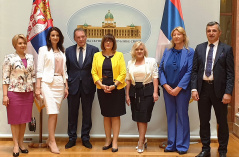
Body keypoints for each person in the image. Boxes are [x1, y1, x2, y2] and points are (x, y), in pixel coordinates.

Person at [191, 21, 234, 157]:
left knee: (222, 122)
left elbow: (230, 73)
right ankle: (205, 149)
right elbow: (194, 71)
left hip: (220, 92)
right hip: (202, 89)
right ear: (206, 32)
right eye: (209, 30)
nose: (211, 33)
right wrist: (194, 89)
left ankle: (222, 151)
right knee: (204, 121)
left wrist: (228, 92)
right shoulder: (199, 48)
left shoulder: (226, 49)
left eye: (214, 31)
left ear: (219, 33)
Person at [158, 27, 194, 155]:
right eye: (174, 35)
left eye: (179, 34)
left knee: (182, 117)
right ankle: (172, 144)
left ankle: (182, 146)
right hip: (168, 90)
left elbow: (190, 71)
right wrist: (165, 85)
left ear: (184, 36)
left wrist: (178, 88)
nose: (176, 36)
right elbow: (160, 69)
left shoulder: (190, 52)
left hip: (182, 90)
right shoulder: (167, 51)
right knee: (171, 116)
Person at [35, 27, 69, 154]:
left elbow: (64, 70)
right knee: (52, 111)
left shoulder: (62, 51)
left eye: (57, 35)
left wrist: (66, 86)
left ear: (59, 37)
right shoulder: (43, 50)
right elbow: (39, 69)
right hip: (47, 83)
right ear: (49, 37)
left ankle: (50, 138)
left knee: (55, 113)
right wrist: (38, 88)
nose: (55, 37)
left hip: (60, 83)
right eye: (53, 35)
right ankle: (52, 142)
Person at [65, 28, 99, 149]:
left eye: (83, 36)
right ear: (74, 38)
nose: (81, 39)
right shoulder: (68, 51)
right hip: (72, 86)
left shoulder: (94, 50)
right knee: (72, 113)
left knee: (87, 113)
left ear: (86, 37)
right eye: (78, 37)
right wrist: (66, 85)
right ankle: (72, 138)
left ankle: (85, 138)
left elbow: (96, 69)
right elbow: (66, 70)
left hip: (88, 86)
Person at [91, 34, 126, 152]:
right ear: (103, 43)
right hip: (102, 89)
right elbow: (94, 72)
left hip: (117, 89)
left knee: (115, 116)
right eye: (106, 41)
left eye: (110, 41)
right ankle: (108, 140)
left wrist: (114, 85)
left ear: (113, 43)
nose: (108, 43)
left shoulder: (119, 55)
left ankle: (115, 141)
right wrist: (101, 85)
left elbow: (123, 73)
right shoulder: (96, 55)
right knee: (106, 115)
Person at [2, 34, 35, 157]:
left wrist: (36, 90)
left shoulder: (30, 57)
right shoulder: (9, 58)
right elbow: (5, 78)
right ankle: (15, 144)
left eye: (24, 43)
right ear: (15, 45)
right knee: (15, 120)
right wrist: (5, 96)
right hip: (14, 93)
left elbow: (32, 76)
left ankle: (21, 143)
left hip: (28, 92)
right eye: (20, 43)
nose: (23, 45)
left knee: (24, 120)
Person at [125, 41, 159, 153]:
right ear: (134, 51)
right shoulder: (130, 63)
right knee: (137, 116)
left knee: (143, 116)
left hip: (148, 90)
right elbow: (128, 79)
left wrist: (155, 92)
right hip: (134, 91)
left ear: (144, 50)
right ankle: (143, 139)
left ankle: (140, 142)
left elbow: (155, 77)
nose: (139, 51)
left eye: (141, 49)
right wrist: (127, 95)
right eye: (137, 49)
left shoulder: (151, 61)